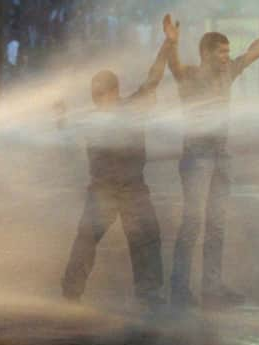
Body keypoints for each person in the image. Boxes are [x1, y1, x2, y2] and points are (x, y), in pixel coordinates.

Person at [166, 4, 259, 309]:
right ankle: (180, 290)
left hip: (221, 156)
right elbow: (175, 67)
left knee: (217, 225)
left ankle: (212, 288)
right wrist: (171, 43)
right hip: (197, 157)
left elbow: (253, 52)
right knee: (192, 223)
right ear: (207, 54)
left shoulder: (228, 72)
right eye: (221, 52)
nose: (227, 57)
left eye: (227, 52)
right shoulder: (191, 76)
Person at [61, 15, 176, 311]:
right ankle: (72, 293)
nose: (98, 100)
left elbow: (154, 78)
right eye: (95, 95)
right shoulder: (101, 114)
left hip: (127, 188)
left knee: (143, 241)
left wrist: (167, 45)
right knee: (91, 240)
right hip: (108, 190)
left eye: (101, 94)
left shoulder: (129, 107)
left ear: (113, 91)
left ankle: (146, 295)